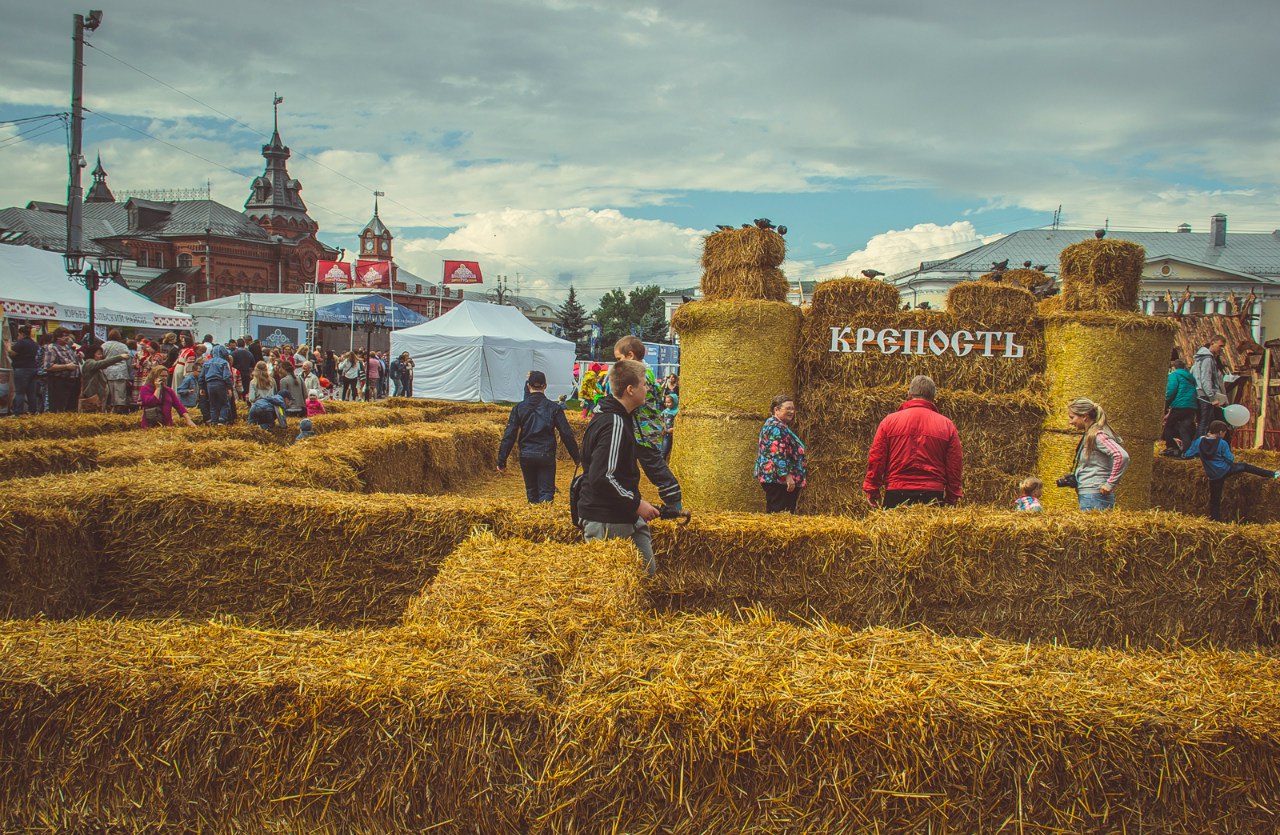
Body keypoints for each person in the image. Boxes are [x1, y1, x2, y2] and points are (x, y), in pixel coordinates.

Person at [578, 359, 661, 574]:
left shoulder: (620, 418)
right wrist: (636, 503)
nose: (647, 388)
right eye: (644, 384)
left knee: (647, 574)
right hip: (606, 518)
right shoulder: (613, 422)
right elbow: (602, 477)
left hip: (624, 514)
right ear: (630, 390)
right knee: (610, 586)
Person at [863, 375, 963, 508]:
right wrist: (952, 495)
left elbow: (877, 458)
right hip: (932, 494)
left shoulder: (889, 422)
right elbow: (954, 464)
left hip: (896, 491)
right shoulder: (946, 425)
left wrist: (872, 488)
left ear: (909, 394)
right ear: (933, 397)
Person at [613, 336, 682, 513]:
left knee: (654, 467)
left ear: (630, 355)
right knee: (627, 467)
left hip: (644, 432)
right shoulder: (642, 371)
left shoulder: (640, 373)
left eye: (619, 359)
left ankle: (674, 503)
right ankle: (629, 500)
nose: (618, 364)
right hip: (637, 431)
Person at [497, 370, 580, 504]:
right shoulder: (554, 408)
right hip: (546, 453)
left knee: (531, 491)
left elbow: (509, 435)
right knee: (546, 491)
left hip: (526, 453)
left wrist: (501, 460)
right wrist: (576, 457)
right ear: (545, 386)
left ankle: (533, 515)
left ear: (528, 386)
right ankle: (544, 514)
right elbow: (566, 434)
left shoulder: (519, 408)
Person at [1184, 420, 1279, 521]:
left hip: (1213, 475)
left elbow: (1188, 455)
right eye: (1224, 432)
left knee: (1215, 499)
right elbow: (1230, 459)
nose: (1224, 434)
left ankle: (1215, 520)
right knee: (1245, 466)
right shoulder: (1222, 443)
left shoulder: (1200, 441)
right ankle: (1272, 474)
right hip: (1225, 470)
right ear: (1220, 432)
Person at [1065, 397, 1129, 511]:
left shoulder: (1098, 435)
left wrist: (1110, 484)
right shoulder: (1090, 434)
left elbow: (1121, 456)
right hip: (1090, 494)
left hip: (1095, 495)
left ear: (1084, 416)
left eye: (1072, 417)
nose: (1070, 422)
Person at [754, 394, 807, 514]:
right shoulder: (775, 428)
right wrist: (787, 476)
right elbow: (777, 453)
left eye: (793, 408)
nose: (792, 411)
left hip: (778, 479)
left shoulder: (778, 425)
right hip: (778, 480)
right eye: (788, 408)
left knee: (782, 515)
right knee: (779, 515)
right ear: (776, 409)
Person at [1192, 334, 1228, 434]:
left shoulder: (1204, 358)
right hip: (1204, 395)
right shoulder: (1207, 358)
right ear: (1213, 343)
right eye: (1220, 346)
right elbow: (1205, 379)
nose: (1221, 349)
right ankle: (1198, 447)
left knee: (1205, 423)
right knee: (1204, 424)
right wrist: (1212, 397)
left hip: (1202, 393)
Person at [1162, 358, 1199, 457]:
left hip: (1179, 405)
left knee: (1168, 426)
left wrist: (1165, 403)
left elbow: (1171, 390)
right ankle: (1187, 452)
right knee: (1184, 429)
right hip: (1191, 407)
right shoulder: (1191, 377)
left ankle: (1171, 447)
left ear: (1173, 367)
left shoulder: (1174, 375)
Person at [41, 327, 82, 413]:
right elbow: (48, 366)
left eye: (68, 336)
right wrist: (66, 366)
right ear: (57, 337)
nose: (67, 338)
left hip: (73, 381)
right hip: (59, 382)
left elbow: (72, 362)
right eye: (65, 336)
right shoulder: (51, 348)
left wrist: (78, 357)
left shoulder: (68, 347)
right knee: (59, 407)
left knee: (71, 408)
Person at [79, 343, 127, 412]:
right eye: (99, 354)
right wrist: (120, 357)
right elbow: (103, 363)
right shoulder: (89, 363)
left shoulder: (94, 364)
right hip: (92, 397)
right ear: (92, 354)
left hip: (99, 397)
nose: (101, 356)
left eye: (101, 354)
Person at [8, 324, 39, 416]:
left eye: (18, 335)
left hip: (22, 370)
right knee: (31, 393)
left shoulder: (21, 343)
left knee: (20, 392)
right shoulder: (34, 344)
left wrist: (8, 347)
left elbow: (12, 354)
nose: (18, 337)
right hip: (33, 369)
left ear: (21, 333)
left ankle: (18, 413)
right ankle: (33, 412)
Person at [199, 344, 234, 425]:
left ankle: (214, 421)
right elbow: (227, 376)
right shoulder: (224, 362)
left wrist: (201, 388)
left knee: (213, 404)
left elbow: (201, 376)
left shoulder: (207, 363)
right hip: (220, 384)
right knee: (224, 403)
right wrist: (229, 387)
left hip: (209, 385)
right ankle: (222, 420)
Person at [660, 394, 678, 460]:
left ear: (674, 402)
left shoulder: (677, 412)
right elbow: (661, 417)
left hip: (674, 434)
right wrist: (663, 425)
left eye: (669, 402)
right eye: (666, 402)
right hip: (667, 434)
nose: (666, 404)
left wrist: (674, 429)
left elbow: (679, 423)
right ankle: (662, 461)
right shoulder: (665, 411)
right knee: (664, 450)